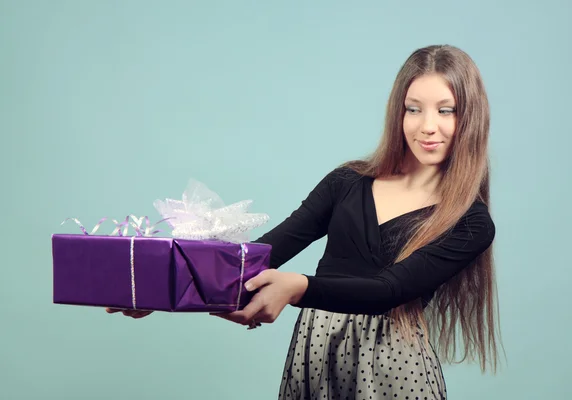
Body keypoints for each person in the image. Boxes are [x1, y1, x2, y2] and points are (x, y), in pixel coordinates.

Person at [108, 44, 501, 400]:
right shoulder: (347, 181)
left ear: (469, 117)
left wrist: (297, 287)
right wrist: (162, 291)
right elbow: (261, 255)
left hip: (393, 369)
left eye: (444, 110)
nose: (427, 125)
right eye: (413, 108)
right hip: (316, 354)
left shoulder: (470, 222)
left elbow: (388, 290)